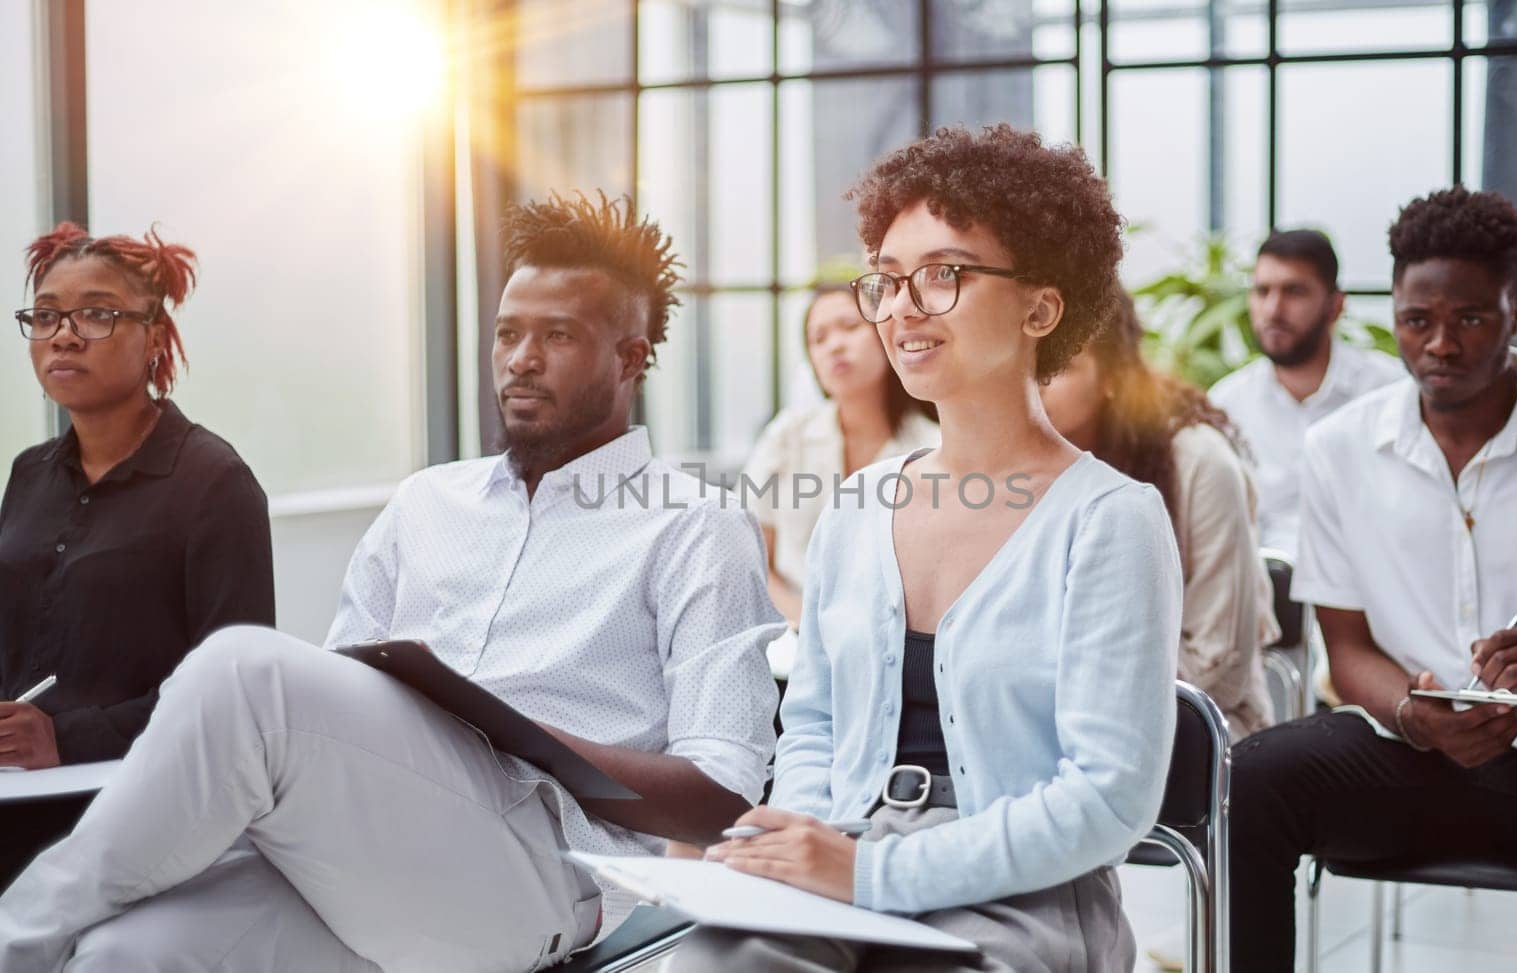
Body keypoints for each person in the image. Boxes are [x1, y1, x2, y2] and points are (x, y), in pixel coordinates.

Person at [0, 193, 784, 972]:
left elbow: (719, 799)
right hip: (371, 851)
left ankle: (13, 937)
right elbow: (334, 714)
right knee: (122, 953)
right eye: (508, 332)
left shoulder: (695, 526)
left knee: (243, 668)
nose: (520, 359)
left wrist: (516, 732)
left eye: (558, 335)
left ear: (629, 359)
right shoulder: (424, 503)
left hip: (540, 869)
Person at [672, 124, 1182, 972]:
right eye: (887, 280)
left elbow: (1109, 798)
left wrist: (874, 872)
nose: (902, 307)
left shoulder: (1110, 519)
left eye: (943, 275)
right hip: (840, 861)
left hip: (1020, 900)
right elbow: (814, 724)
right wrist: (799, 845)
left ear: (1040, 307)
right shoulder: (860, 503)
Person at [1228, 187, 1517, 970]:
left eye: (1471, 319)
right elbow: (1347, 645)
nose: (1440, 344)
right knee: (1250, 779)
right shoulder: (1341, 448)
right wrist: (1410, 710)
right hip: (1409, 756)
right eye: (1416, 320)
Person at [0, 223, 273, 886]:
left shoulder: (214, 482)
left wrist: (66, 738)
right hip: (14, 804)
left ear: (155, 337)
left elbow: (237, 698)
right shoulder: (28, 473)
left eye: (97, 313)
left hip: (136, 816)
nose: (64, 334)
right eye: (45, 314)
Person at [1042, 288, 1278, 739]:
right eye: (1028, 366)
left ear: (1112, 374)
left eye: (1059, 369)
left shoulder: (1200, 464)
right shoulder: (1016, 464)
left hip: (1190, 728)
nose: (1035, 386)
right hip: (1052, 718)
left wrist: (1080, 687)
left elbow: (1220, 664)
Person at [743, 283, 939, 675]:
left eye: (849, 327)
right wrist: (805, 624)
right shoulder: (788, 435)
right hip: (790, 647)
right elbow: (752, 556)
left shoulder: (934, 444)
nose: (834, 345)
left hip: (896, 653)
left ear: (885, 333)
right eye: (818, 338)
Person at [1209, 229, 1404, 557]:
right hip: (1263, 593)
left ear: (1335, 306)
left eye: (1294, 292)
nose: (1273, 309)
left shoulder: (1389, 392)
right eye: (1262, 291)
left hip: (1367, 584)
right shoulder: (1226, 405)